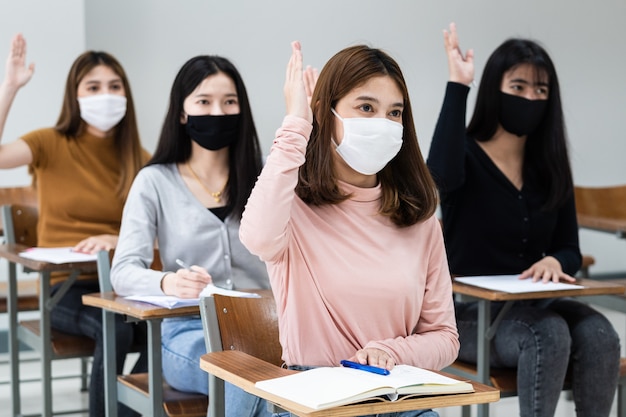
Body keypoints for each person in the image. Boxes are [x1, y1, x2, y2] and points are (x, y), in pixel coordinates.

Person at [239, 41, 459, 417]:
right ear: (327, 113)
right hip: (311, 398)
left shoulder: (420, 221)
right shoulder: (291, 206)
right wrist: (297, 124)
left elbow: (444, 337)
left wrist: (392, 351)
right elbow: (256, 236)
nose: (383, 124)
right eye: (366, 108)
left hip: (393, 397)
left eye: (394, 113)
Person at [426, 23, 620, 417]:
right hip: (468, 315)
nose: (530, 97)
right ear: (494, 89)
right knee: (546, 333)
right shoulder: (463, 153)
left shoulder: (548, 165)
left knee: (601, 334)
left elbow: (569, 249)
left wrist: (555, 262)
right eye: (518, 87)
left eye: (541, 90)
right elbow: (438, 179)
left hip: (537, 304)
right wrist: (457, 85)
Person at [110, 55, 272, 417]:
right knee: (241, 372)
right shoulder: (154, 182)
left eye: (229, 102)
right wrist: (168, 282)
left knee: (296, 374)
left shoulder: (267, 176)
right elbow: (121, 272)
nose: (217, 112)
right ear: (182, 113)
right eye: (204, 102)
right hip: (188, 334)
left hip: (267, 327)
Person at [0, 34, 150, 417]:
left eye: (114, 86)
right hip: (63, 288)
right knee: (115, 328)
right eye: (94, 87)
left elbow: (160, 225)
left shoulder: (140, 157)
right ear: (75, 95)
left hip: (121, 282)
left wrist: (116, 237)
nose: (106, 95)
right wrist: (10, 87)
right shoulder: (49, 143)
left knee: (160, 327)